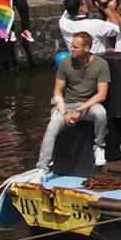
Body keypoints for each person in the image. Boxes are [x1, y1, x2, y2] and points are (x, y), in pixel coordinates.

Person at [36, 31, 110, 172]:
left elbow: (102, 95)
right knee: (52, 126)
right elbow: (57, 92)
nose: (72, 49)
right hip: (68, 105)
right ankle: (42, 167)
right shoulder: (65, 63)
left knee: (100, 113)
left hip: (88, 105)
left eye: (75, 47)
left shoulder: (101, 65)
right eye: (72, 46)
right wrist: (64, 113)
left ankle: (99, 147)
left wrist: (79, 110)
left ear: (87, 48)